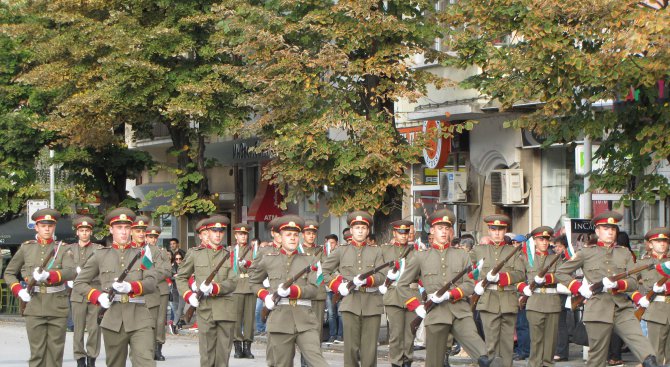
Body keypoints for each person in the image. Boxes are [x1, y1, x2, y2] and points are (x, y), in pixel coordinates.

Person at [556, 211, 665, 367]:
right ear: (597, 231)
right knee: (597, 359)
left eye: (613, 229)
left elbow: (634, 282)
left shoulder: (624, 253)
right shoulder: (586, 253)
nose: (610, 232)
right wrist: (579, 288)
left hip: (622, 309)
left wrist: (617, 284)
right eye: (606, 228)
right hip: (598, 309)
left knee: (647, 353)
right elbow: (561, 272)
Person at [398, 209, 499, 367]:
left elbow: (469, 284)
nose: (444, 232)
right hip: (436, 313)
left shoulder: (462, 255)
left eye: (447, 228)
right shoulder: (421, 256)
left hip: (460, 311)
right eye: (440, 228)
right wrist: (416, 306)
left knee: (484, 356)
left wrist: (450, 294)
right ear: (432, 230)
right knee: (435, 362)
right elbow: (402, 285)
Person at [73, 207, 157, 367]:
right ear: (111, 229)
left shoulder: (143, 254)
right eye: (119, 228)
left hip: (139, 317)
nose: (124, 232)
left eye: (127, 228)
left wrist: (131, 287)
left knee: (146, 363)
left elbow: (152, 282)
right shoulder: (100, 255)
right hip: (112, 319)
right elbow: (79, 283)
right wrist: (98, 296)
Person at [250, 215, 330, 367]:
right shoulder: (268, 259)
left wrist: (293, 291)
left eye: (295, 235)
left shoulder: (310, 259)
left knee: (319, 362)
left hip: (305, 320)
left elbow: (315, 289)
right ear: (279, 237)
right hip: (280, 320)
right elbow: (253, 282)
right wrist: (265, 295)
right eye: (288, 235)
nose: (292, 238)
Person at [4, 208, 76, 367]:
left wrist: (49, 276)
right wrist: (19, 291)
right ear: (36, 227)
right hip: (34, 306)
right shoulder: (26, 248)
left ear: (54, 227)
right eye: (43, 225)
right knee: (37, 355)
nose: (47, 229)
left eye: (50, 226)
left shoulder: (63, 249)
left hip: (57, 306)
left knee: (55, 355)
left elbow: (71, 272)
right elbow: (9, 273)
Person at [323, 211, 386, 367]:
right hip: (350, 303)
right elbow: (323, 272)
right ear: (351, 231)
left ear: (367, 231)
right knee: (351, 348)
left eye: (363, 228)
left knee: (370, 349)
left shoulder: (377, 251)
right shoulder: (340, 251)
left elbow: (382, 276)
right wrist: (338, 286)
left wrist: (367, 280)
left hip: (372, 303)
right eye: (356, 227)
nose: (359, 231)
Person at [176, 215, 238, 367]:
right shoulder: (195, 254)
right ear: (207, 232)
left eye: (221, 231)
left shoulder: (230, 255)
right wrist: (188, 295)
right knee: (207, 357)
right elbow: (181, 277)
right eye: (214, 231)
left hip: (225, 310)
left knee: (223, 358)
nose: (218, 234)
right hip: (205, 310)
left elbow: (233, 281)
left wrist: (215, 288)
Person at [472, 214, 525, 367]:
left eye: (500, 229)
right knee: (490, 344)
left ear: (505, 230)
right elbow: (466, 271)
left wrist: (502, 277)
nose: (497, 233)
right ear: (489, 230)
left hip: (508, 300)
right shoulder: (478, 250)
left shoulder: (512, 251)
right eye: (493, 229)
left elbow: (521, 274)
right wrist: (477, 283)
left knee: (508, 346)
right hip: (488, 300)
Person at [515, 226, 565, 367]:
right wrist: (524, 289)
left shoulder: (555, 258)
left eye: (546, 239)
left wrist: (548, 279)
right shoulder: (526, 258)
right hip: (535, 302)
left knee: (550, 341)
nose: (544, 242)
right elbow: (518, 279)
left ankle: (547, 364)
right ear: (535, 240)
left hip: (552, 302)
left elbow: (563, 276)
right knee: (536, 340)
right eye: (540, 239)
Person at [379, 220, 417, 367]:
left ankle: (407, 361)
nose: (403, 235)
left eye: (406, 232)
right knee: (396, 334)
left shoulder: (415, 251)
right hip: (393, 294)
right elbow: (379, 268)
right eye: (400, 233)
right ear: (394, 233)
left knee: (410, 333)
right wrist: (386, 275)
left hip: (411, 293)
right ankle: (396, 362)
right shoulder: (385, 250)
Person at [631, 228, 670, 364]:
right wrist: (638, 298)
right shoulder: (643, 264)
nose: (662, 244)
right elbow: (629, 284)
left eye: (665, 241)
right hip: (655, 311)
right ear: (651, 244)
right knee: (656, 353)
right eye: (658, 241)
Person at [69, 216, 102, 367]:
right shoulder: (69, 249)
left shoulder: (98, 249)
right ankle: (80, 358)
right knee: (78, 328)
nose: (84, 233)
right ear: (77, 232)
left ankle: (92, 357)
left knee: (94, 328)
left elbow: (102, 269)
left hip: (94, 289)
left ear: (91, 232)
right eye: (81, 230)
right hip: (77, 293)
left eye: (87, 230)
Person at [299, 219, 327, 366]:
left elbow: (327, 268)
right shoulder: (298, 251)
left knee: (317, 329)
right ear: (303, 234)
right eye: (308, 233)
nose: (311, 236)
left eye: (313, 233)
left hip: (318, 294)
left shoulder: (321, 251)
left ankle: (315, 360)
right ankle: (304, 360)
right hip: (302, 294)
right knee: (303, 328)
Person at [144, 225, 172, 361]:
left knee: (161, 321)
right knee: (150, 320)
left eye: (155, 237)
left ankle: (158, 348)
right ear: (146, 237)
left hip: (162, 289)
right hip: (148, 290)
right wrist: (155, 273)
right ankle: (148, 347)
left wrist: (152, 274)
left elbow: (167, 270)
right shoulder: (142, 251)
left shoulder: (163, 252)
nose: (153, 240)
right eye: (150, 237)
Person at [232, 223, 256, 359]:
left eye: (245, 234)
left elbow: (258, 266)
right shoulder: (230, 250)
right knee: (236, 319)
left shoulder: (253, 251)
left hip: (250, 286)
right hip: (236, 287)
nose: (243, 236)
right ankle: (237, 346)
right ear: (236, 235)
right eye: (240, 234)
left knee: (249, 319)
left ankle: (247, 347)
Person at [323, 234, 342, 343]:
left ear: (337, 244)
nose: (330, 245)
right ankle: (332, 335)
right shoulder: (324, 255)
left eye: (332, 243)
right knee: (331, 314)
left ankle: (340, 336)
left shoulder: (340, 254)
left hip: (339, 287)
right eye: (328, 243)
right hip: (328, 288)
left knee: (340, 313)